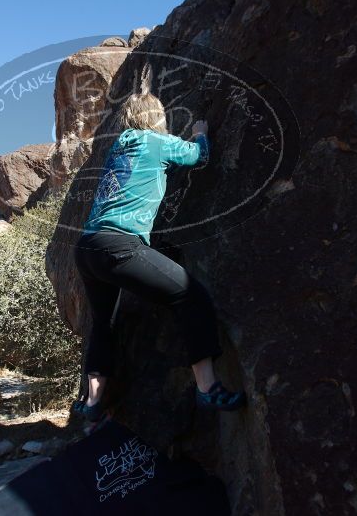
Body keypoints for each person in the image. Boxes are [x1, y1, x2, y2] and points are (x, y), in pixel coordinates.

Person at [72, 84, 247, 432]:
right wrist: (200, 134)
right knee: (189, 295)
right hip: (118, 245)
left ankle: (91, 403)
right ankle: (208, 387)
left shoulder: (118, 150)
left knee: (103, 323)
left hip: (88, 247)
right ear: (156, 117)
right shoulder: (156, 142)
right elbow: (200, 156)